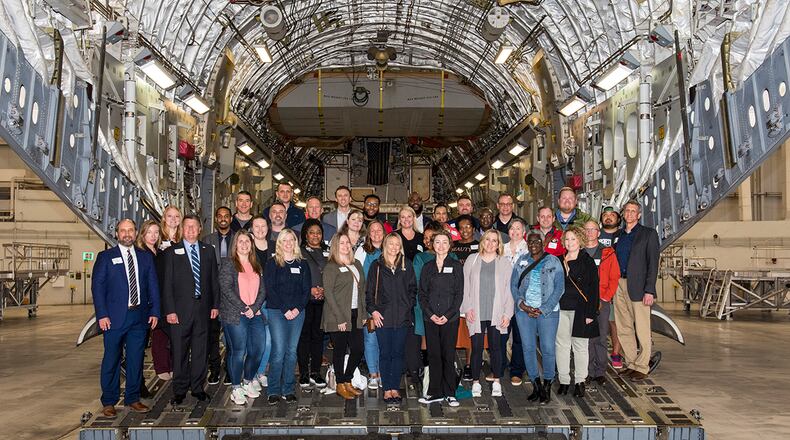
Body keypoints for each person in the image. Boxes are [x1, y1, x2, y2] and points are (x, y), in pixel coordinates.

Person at [93, 219, 160, 417]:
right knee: (111, 359)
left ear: (135, 232)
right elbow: (98, 288)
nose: (127, 234)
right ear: (117, 233)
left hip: (138, 317)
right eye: (123, 231)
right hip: (113, 318)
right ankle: (109, 401)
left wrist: (155, 311)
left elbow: (153, 286)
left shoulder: (144, 258)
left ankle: (132, 398)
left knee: (135, 359)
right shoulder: (106, 257)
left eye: (130, 230)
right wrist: (102, 315)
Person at [161, 215, 220, 405]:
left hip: (203, 310)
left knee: (200, 351)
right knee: (179, 352)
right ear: (182, 229)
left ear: (200, 229)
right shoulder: (171, 252)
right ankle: (179, 390)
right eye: (187, 227)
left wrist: (215, 305)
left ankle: (197, 388)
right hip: (179, 312)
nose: (191, 230)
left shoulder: (208, 251)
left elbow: (213, 281)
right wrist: (170, 310)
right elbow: (167, 285)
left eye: (194, 226)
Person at [511, 230, 564, 405]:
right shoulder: (521, 261)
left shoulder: (553, 261)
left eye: (537, 242)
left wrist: (543, 309)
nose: (533, 245)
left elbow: (559, 289)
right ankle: (536, 384)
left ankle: (547, 384)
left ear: (542, 243)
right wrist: (523, 305)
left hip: (548, 312)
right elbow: (514, 286)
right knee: (528, 348)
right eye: (530, 242)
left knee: (548, 348)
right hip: (524, 312)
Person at [366, 233, 417, 404]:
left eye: (397, 244)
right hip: (383, 318)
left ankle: (395, 387)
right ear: (385, 245)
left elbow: (412, 289)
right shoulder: (377, 266)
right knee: (386, 353)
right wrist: (373, 311)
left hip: (402, 318)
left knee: (398, 354)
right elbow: (369, 292)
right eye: (391, 244)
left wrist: (407, 306)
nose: (394, 247)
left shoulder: (406, 265)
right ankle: (387, 389)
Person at [462, 229, 514, 398]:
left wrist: (507, 313)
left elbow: (508, 290)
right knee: (476, 348)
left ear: (499, 244)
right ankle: (476, 382)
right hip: (476, 312)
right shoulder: (472, 259)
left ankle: (497, 381)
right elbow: (466, 287)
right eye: (488, 240)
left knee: (496, 348)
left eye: (494, 241)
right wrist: (467, 308)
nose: (491, 243)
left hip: (497, 312)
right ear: (482, 241)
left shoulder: (504, 263)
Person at [219, 230, 267, 405]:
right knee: (238, 352)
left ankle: (247, 382)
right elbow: (226, 289)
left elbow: (263, 289)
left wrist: (253, 308)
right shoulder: (229, 264)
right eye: (241, 241)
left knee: (257, 350)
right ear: (235, 244)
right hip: (235, 315)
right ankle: (235, 387)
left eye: (247, 241)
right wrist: (244, 307)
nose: (245, 244)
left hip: (255, 314)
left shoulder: (256, 263)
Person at [264, 229, 312, 404]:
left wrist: (298, 308)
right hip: (277, 311)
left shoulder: (302, 264)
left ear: (295, 242)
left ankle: (288, 389)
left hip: (298, 312)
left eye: (291, 239)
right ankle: (273, 390)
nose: (288, 243)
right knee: (278, 351)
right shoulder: (272, 263)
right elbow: (270, 288)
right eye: (285, 240)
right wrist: (286, 309)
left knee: (292, 352)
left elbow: (306, 290)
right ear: (280, 243)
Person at [614, 200, 659, 381]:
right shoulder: (620, 235)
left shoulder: (648, 234)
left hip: (639, 287)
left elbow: (653, 264)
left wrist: (650, 290)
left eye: (634, 211)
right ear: (623, 214)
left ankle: (642, 366)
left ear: (639, 215)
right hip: (619, 285)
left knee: (642, 328)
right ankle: (631, 363)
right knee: (623, 327)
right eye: (627, 211)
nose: (630, 214)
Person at [418, 230, 464, 407]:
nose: (441, 245)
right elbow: (422, 294)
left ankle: (450, 393)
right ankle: (434, 392)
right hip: (430, 319)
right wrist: (431, 314)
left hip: (450, 319)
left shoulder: (456, 265)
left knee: (448, 355)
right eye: (437, 242)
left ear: (450, 244)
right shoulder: (427, 267)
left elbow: (459, 294)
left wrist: (447, 315)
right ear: (432, 244)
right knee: (433, 355)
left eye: (445, 242)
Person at [322, 233, 367, 399]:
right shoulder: (331, 267)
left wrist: (363, 313)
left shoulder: (357, 264)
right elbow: (329, 294)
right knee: (340, 350)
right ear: (335, 246)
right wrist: (340, 318)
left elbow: (362, 290)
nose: (346, 245)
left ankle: (348, 379)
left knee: (358, 349)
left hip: (355, 313)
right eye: (342, 243)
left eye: (348, 242)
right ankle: (340, 383)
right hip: (337, 315)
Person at [556, 227, 599, 398]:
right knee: (562, 345)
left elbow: (594, 288)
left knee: (580, 346)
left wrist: (591, 313)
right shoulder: (559, 261)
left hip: (581, 309)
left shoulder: (587, 261)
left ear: (580, 241)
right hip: (561, 308)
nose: (569, 243)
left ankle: (580, 381)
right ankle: (564, 380)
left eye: (573, 239)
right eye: (567, 239)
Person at [583, 220, 620, 384]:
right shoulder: (579, 252)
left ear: (599, 233)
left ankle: (600, 372)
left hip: (602, 301)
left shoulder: (608, 253)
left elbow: (615, 276)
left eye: (593, 230)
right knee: (586, 338)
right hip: (583, 301)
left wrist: (606, 296)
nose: (590, 232)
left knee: (600, 336)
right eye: (587, 229)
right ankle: (588, 371)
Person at [136, 220, 171, 381]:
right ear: (143, 234)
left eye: (156, 232)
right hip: (146, 301)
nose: (153, 235)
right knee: (152, 336)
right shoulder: (139, 253)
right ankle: (160, 367)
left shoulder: (160, 252)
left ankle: (167, 365)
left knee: (164, 333)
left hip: (162, 298)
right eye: (149, 232)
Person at [202, 206, 234, 385]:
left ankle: (230, 369)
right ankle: (214, 369)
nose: (223, 219)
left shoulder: (238, 238)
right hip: (212, 293)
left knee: (231, 335)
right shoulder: (207, 240)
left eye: (226, 216)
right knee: (212, 334)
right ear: (216, 219)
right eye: (220, 216)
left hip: (231, 293)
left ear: (231, 218)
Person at [298, 219, 329, 389]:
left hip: (323, 301)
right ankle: (303, 373)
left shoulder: (329, 251)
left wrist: (325, 290)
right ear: (306, 235)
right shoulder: (300, 252)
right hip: (306, 300)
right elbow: (297, 276)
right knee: (304, 338)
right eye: (312, 232)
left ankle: (315, 372)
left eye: (318, 232)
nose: (315, 235)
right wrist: (310, 289)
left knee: (318, 337)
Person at [355, 220, 385, 389]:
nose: (375, 233)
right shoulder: (362, 251)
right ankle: (373, 374)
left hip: (388, 303)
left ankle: (383, 371)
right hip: (368, 302)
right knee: (371, 338)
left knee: (385, 339)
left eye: (379, 229)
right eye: (372, 230)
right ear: (368, 234)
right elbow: (357, 279)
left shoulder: (391, 249)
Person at [500, 218, 529, 385]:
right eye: (512, 228)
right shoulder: (501, 249)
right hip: (503, 298)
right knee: (501, 333)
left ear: (523, 232)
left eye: (518, 229)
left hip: (520, 298)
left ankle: (517, 369)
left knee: (519, 335)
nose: (515, 231)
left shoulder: (528, 249)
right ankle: (499, 365)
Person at [251, 216, 275, 389]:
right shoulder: (246, 248)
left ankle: (260, 372)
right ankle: (250, 374)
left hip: (272, 301)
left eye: (263, 226)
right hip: (252, 302)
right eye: (256, 226)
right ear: (252, 229)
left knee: (268, 341)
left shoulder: (275, 247)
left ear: (268, 228)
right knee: (254, 342)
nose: (260, 229)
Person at [598, 207, 623, 367]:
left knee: (615, 321)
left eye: (612, 215)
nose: (608, 218)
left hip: (618, 283)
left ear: (618, 219)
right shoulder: (595, 234)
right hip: (599, 284)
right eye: (605, 215)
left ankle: (616, 352)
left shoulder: (623, 235)